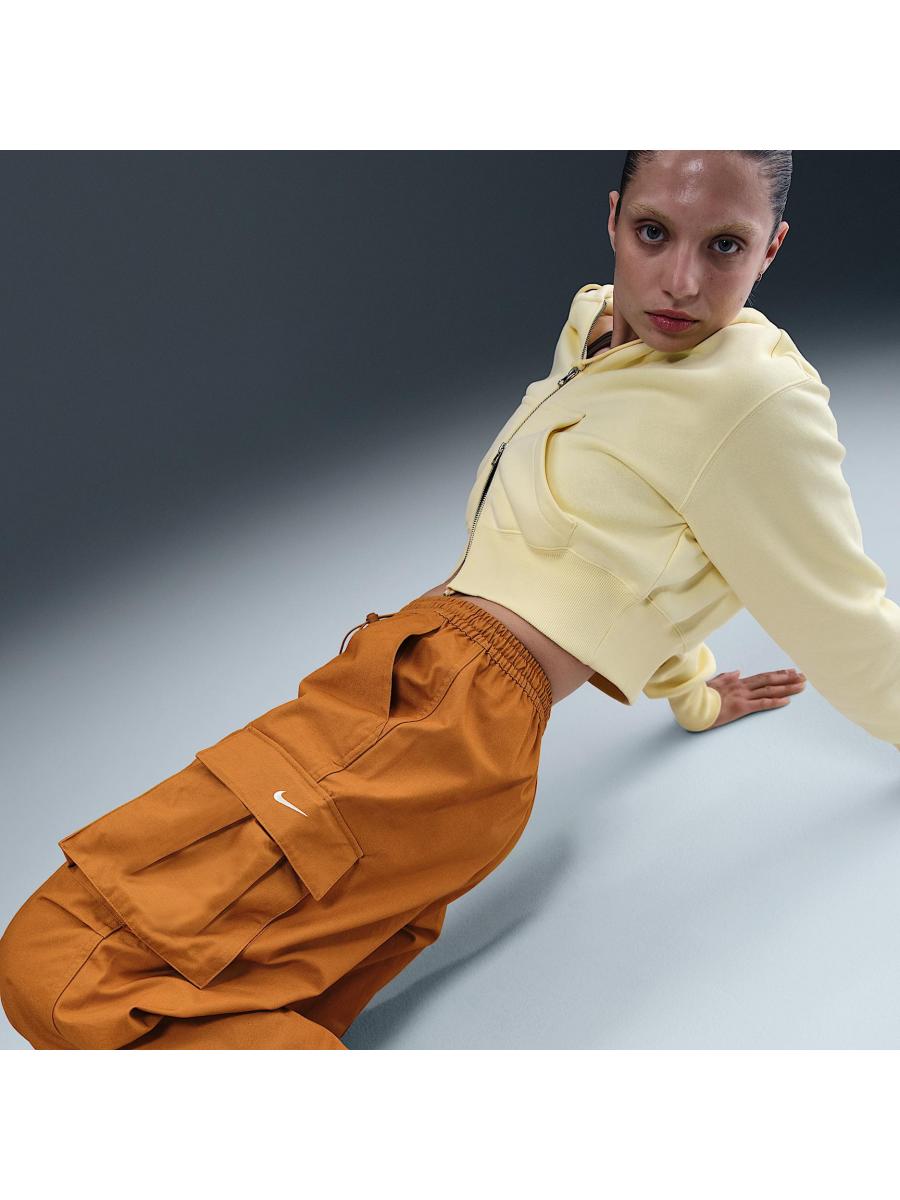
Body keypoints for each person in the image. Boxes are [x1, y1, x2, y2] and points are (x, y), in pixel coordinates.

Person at [1, 151, 897, 1050]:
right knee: (191, 986)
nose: (680, 281)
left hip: (447, 725)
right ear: (614, 217)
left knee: (56, 968)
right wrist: (694, 693)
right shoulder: (595, 325)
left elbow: (841, 610)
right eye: (654, 232)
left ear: (772, 249)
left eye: (725, 246)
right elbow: (637, 548)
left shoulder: (755, 398)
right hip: (404, 686)